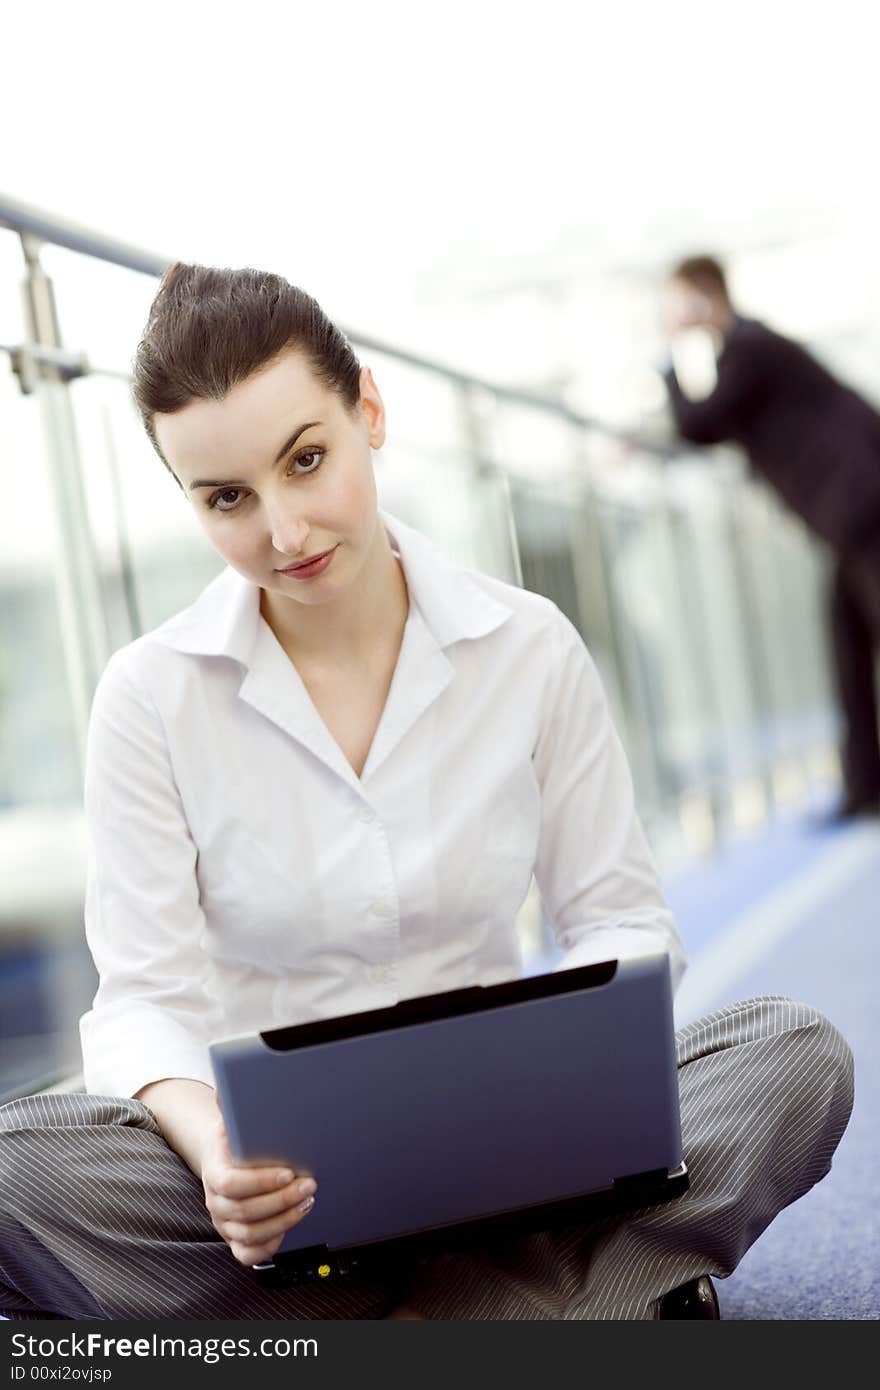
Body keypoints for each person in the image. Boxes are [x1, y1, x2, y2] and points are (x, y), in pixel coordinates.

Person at [0, 265, 853, 1321]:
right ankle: (537, 1302)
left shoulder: (528, 645)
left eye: (306, 460)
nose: (284, 531)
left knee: (791, 1055)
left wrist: (572, 1075)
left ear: (369, 410)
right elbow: (142, 1002)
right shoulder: (148, 696)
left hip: (518, 1155)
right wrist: (218, 1153)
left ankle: (369, 1319)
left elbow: (619, 913)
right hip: (277, 1193)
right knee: (15, 1168)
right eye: (228, 497)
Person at [662, 253, 880, 821]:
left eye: (676, 299)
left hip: (861, 505)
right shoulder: (751, 351)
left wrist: (668, 360)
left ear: (705, 297)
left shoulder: (748, 350)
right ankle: (865, 788)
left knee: (857, 637)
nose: (668, 312)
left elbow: (697, 424)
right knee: (847, 642)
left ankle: (864, 788)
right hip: (850, 512)